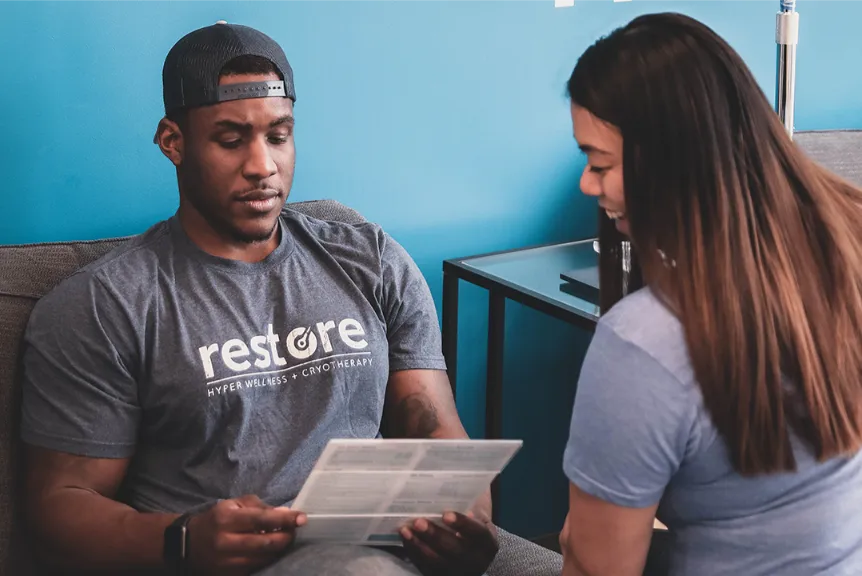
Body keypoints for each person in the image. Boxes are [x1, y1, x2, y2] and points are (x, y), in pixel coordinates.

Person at [19, 22, 497, 576]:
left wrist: (469, 522)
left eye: (278, 136)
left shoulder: (372, 261)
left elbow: (433, 427)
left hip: (371, 553)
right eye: (230, 140)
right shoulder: (105, 305)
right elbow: (59, 506)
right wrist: (182, 540)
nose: (262, 166)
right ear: (172, 141)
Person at [559, 12, 862, 576]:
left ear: (673, 162)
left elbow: (596, 569)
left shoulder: (644, 342)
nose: (586, 183)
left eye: (600, 162)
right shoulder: (848, 242)